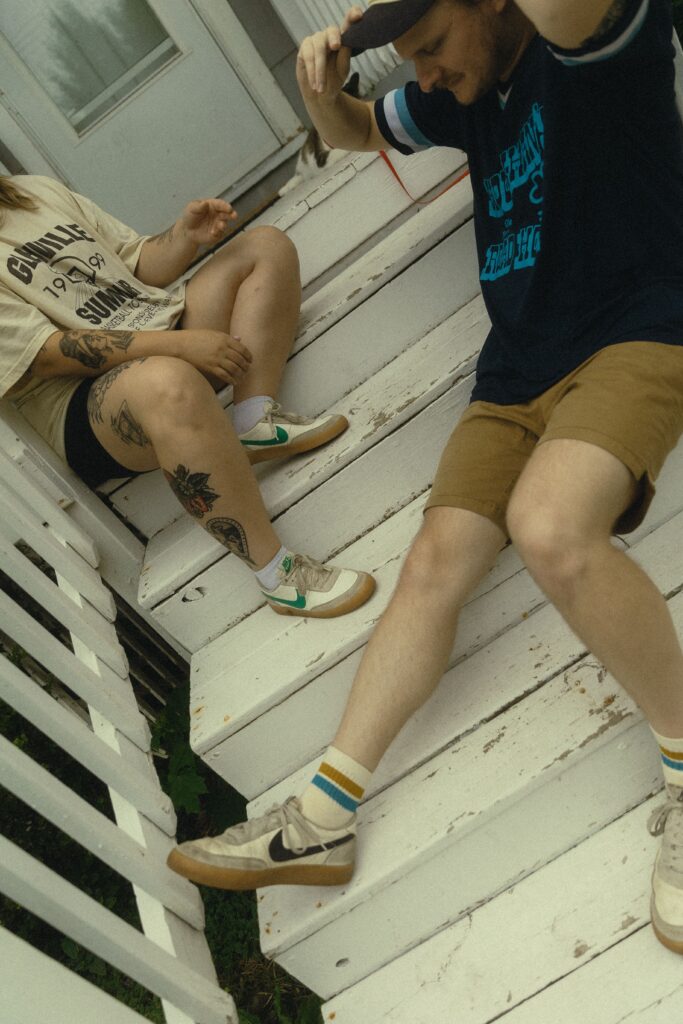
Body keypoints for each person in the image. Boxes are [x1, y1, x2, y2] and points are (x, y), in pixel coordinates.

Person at [167, 0, 683, 956]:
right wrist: (319, 87)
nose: (428, 74)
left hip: (637, 329)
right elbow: (358, 130)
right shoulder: (465, 92)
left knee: (549, 527)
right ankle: (322, 817)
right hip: (517, 366)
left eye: (433, 48)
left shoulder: (589, 47)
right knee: (432, 563)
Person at [0, 175, 375, 617]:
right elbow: (46, 355)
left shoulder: (34, 191)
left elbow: (134, 265)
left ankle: (254, 419)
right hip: (82, 404)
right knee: (168, 381)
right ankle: (279, 574)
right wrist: (181, 345)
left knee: (264, 245)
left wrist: (184, 235)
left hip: (154, 333)